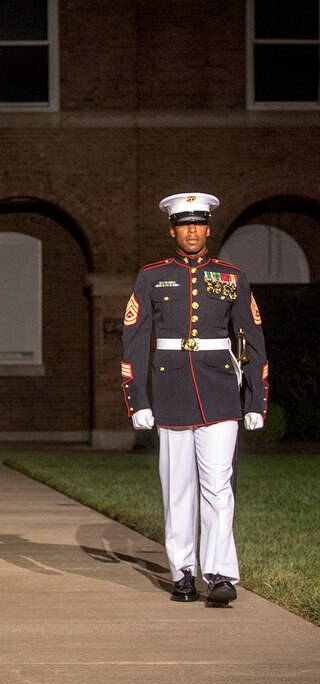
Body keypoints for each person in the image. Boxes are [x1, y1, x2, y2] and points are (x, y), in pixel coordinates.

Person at [121, 192, 268, 608]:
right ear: (172, 230)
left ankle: (220, 572)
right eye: (183, 224)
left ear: (208, 228)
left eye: (198, 223)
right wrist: (138, 400)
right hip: (170, 389)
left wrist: (256, 400)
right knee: (178, 489)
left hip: (221, 388)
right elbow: (133, 341)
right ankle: (183, 572)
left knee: (218, 486)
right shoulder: (152, 276)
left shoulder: (232, 276)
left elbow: (254, 342)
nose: (191, 230)